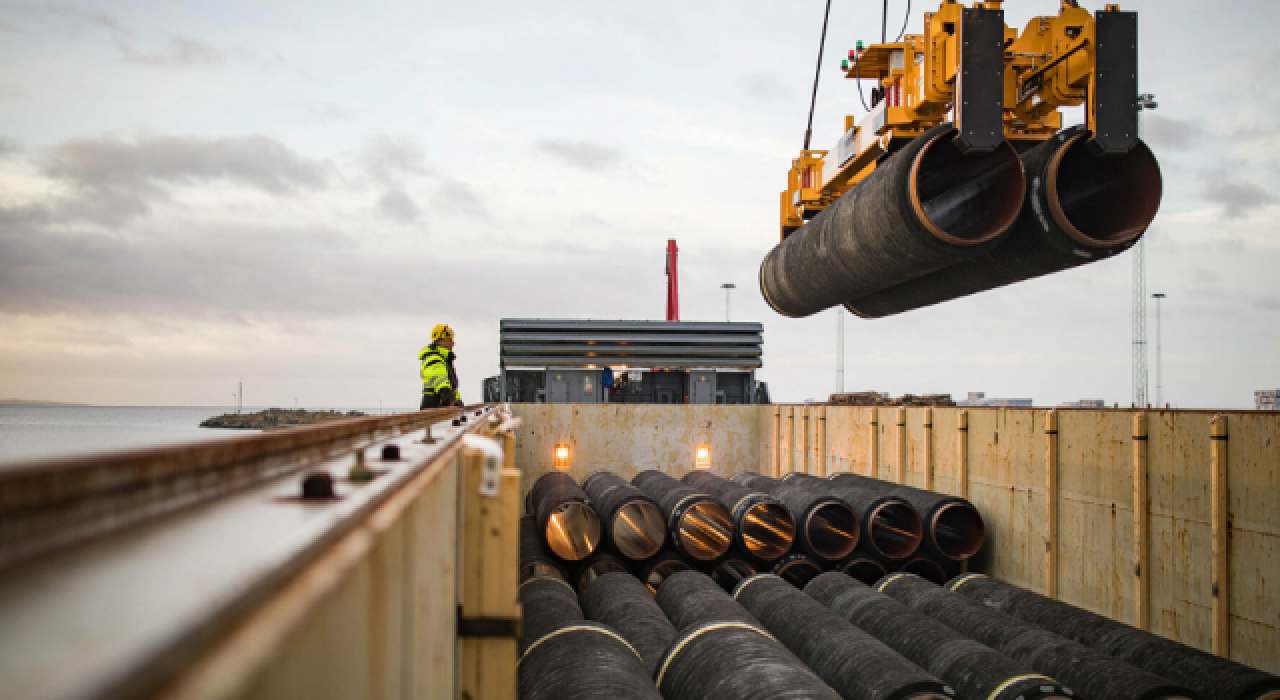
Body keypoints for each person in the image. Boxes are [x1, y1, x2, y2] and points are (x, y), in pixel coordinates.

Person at [420, 324, 463, 409]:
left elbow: (451, 387)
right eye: (450, 340)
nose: (453, 343)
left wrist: (458, 401)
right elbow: (441, 382)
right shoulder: (434, 359)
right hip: (434, 409)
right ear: (441, 341)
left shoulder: (444, 360)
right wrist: (451, 400)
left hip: (441, 407)